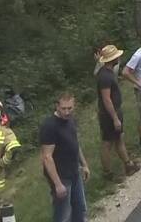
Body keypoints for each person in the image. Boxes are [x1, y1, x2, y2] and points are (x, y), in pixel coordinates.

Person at [39, 92, 90, 222]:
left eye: (70, 108)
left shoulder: (71, 121)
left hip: (74, 173)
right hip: (61, 176)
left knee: (80, 209)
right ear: (57, 106)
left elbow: (75, 144)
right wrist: (57, 184)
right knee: (63, 215)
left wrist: (84, 165)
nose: (67, 112)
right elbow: (47, 157)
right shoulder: (50, 126)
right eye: (64, 108)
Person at [93, 44, 139, 179]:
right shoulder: (105, 77)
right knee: (108, 143)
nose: (119, 58)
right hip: (109, 115)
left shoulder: (107, 73)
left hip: (114, 112)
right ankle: (108, 172)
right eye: (117, 56)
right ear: (112, 59)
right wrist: (114, 118)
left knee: (118, 139)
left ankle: (128, 164)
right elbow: (106, 99)